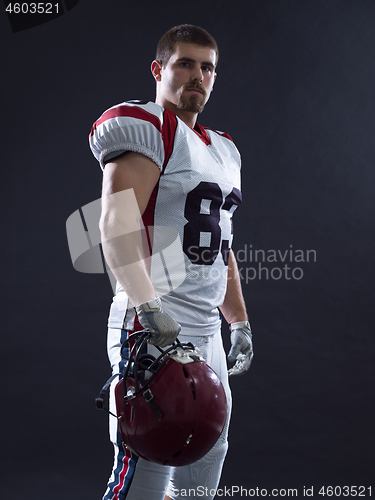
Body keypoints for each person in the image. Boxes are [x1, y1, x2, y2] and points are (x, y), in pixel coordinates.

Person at [89, 24, 253, 500]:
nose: (197, 75)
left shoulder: (223, 148)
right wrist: (148, 305)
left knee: (208, 458)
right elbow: (114, 226)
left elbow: (220, 246)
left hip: (207, 329)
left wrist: (238, 321)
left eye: (208, 67)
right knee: (146, 468)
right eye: (185, 63)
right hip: (152, 322)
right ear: (159, 69)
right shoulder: (149, 126)